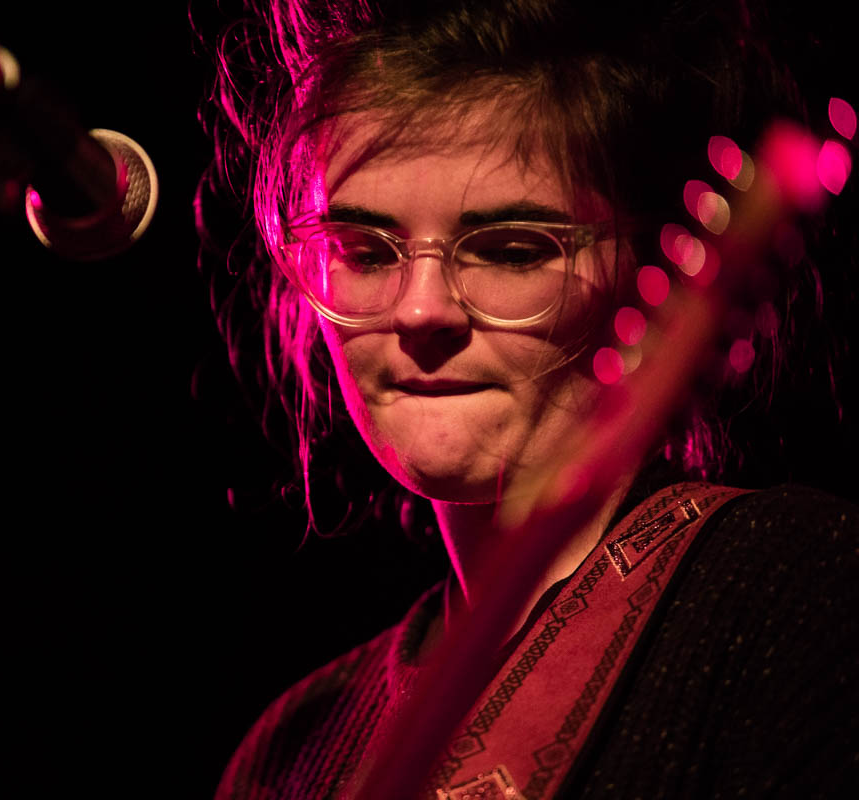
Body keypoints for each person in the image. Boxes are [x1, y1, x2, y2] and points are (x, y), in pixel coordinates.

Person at [195, 0, 858, 797]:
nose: (420, 311)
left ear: (652, 270)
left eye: (512, 250)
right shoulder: (288, 751)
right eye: (365, 252)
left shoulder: (795, 590)